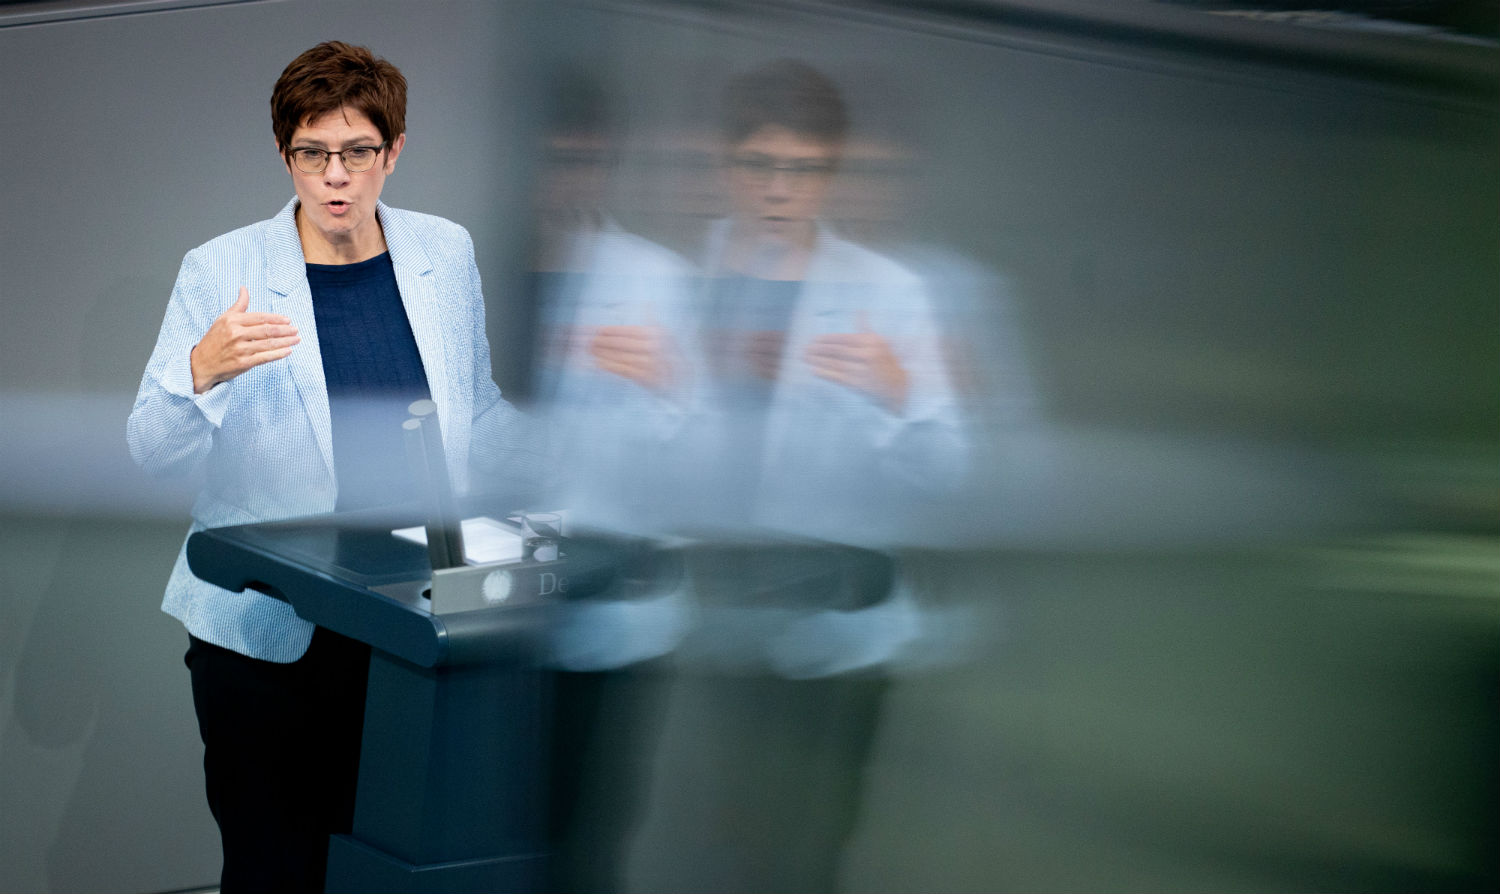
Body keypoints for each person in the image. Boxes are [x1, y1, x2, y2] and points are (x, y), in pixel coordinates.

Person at [126, 41, 528, 892]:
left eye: (357, 153)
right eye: (313, 153)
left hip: (412, 624)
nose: (335, 177)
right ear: (286, 156)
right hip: (268, 635)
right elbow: (151, 456)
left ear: (394, 151)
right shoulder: (222, 271)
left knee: (388, 869)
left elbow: (478, 410)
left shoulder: (443, 253)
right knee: (274, 871)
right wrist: (200, 372)